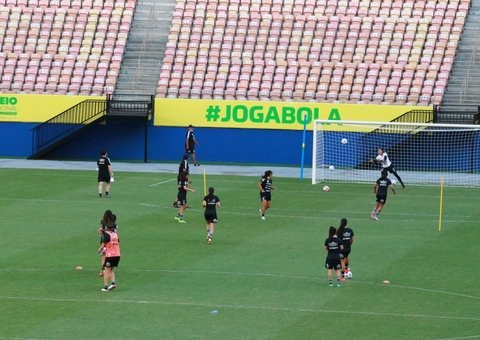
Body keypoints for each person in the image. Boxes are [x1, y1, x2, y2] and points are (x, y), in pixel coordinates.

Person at [98, 221, 120, 291]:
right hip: (117, 255)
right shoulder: (115, 235)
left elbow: (103, 245)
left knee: (106, 270)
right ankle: (113, 283)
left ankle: (106, 287)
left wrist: (99, 250)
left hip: (110, 255)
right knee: (110, 269)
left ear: (106, 227)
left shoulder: (107, 235)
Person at [97, 209, 112, 276]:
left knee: (104, 256)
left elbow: (99, 230)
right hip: (110, 241)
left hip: (103, 241)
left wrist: (103, 236)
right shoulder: (111, 224)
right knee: (108, 256)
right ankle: (106, 270)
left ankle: (102, 271)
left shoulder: (103, 222)